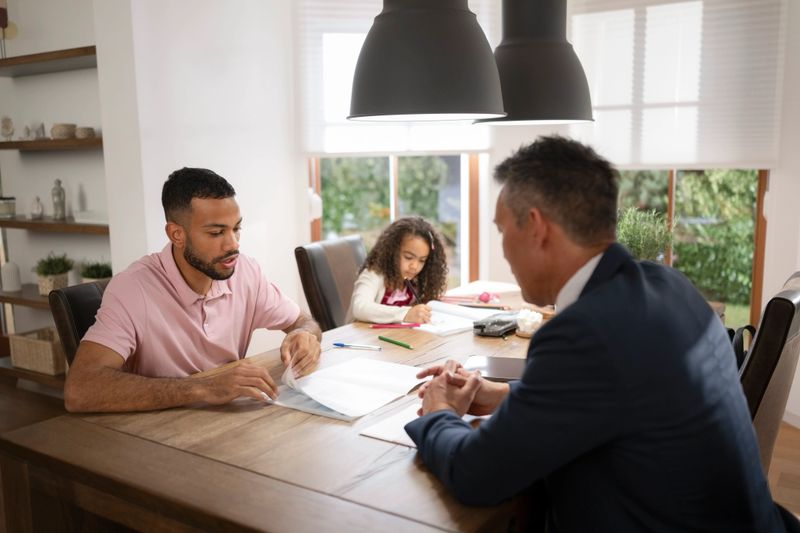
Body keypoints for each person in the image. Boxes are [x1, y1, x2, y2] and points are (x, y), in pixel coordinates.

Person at [405, 136, 783, 531]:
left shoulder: (585, 333)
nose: (502, 250)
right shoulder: (670, 285)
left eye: (502, 231)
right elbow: (620, 397)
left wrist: (439, 413)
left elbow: (476, 475)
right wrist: (503, 395)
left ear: (536, 227)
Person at [64, 168, 322, 413]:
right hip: (158, 437)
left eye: (236, 228)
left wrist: (305, 335)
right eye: (216, 232)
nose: (233, 244)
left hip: (228, 424)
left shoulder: (245, 272)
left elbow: (303, 320)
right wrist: (203, 388)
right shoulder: (133, 288)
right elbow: (80, 389)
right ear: (176, 234)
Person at [348, 216, 448, 324]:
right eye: (408, 257)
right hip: (361, 337)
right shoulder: (374, 274)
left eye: (422, 260)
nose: (414, 266)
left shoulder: (416, 279)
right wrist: (406, 314)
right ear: (392, 252)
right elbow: (359, 307)